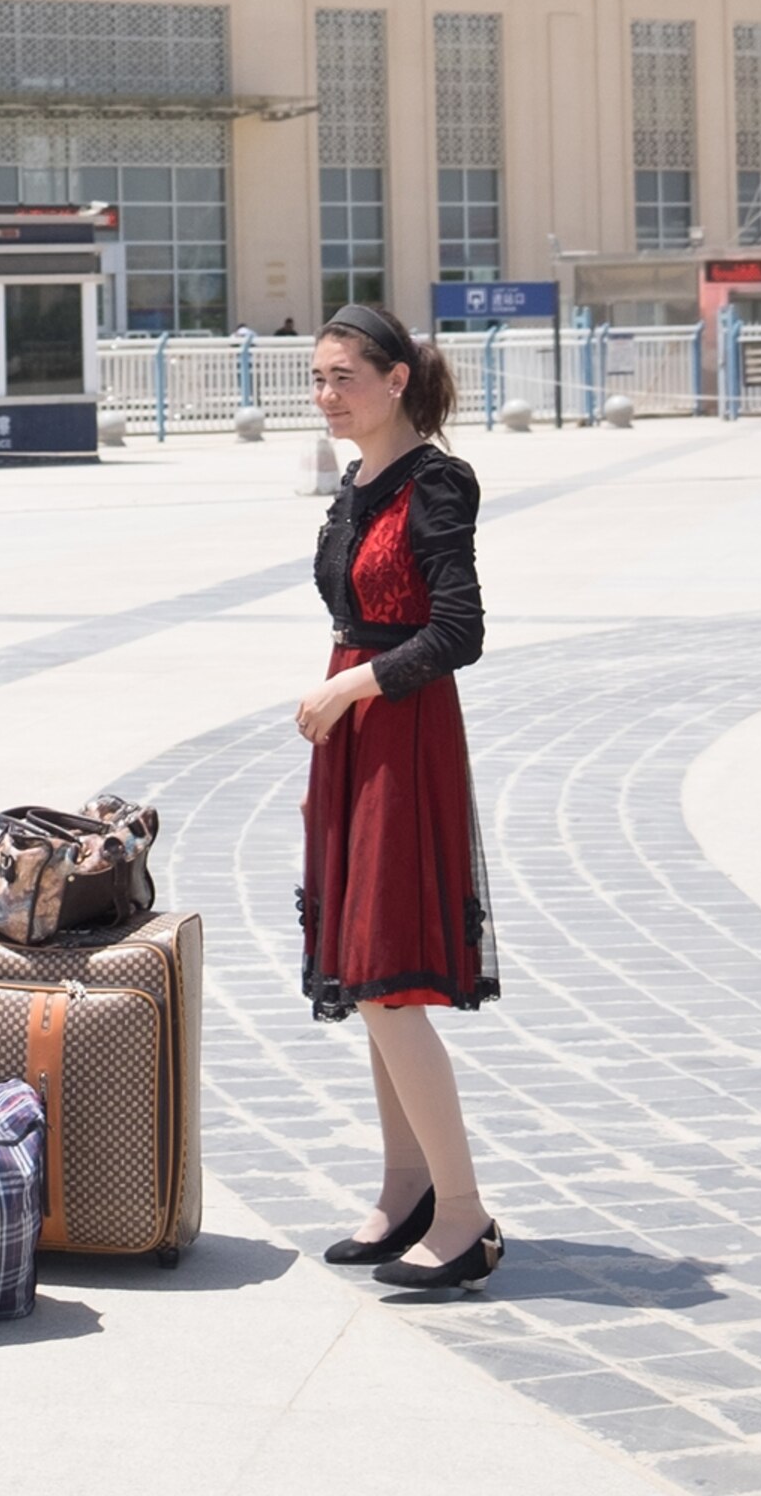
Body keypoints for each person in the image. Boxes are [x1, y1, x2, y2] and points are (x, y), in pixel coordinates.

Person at [295, 301, 504, 1292]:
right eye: (319, 377)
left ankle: (463, 1214)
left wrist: (352, 685)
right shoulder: (358, 481)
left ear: (396, 382)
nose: (325, 395)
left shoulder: (434, 484)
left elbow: (458, 631)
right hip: (355, 734)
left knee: (386, 979)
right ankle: (406, 1184)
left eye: (341, 377)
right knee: (372, 980)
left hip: (402, 730)